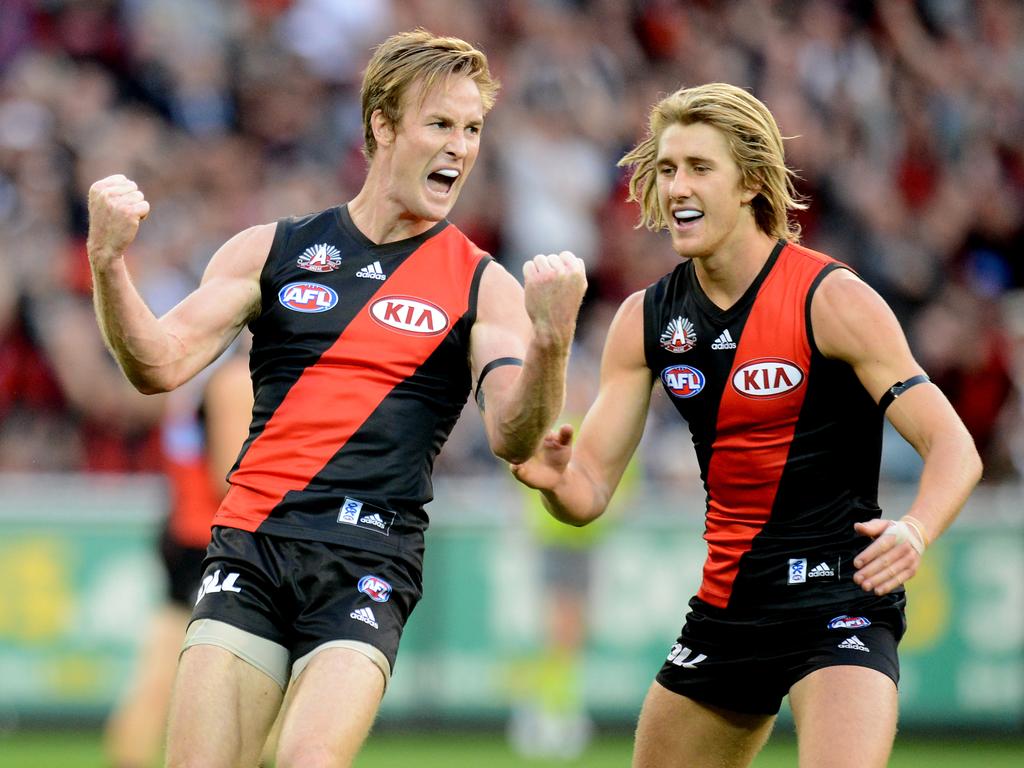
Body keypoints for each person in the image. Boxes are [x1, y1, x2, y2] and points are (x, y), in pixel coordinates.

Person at [86, 29, 586, 768]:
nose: (461, 147)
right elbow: (157, 363)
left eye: (472, 128)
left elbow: (515, 434)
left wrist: (550, 342)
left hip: (369, 559)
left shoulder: (485, 286)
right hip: (252, 547)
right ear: (382, 125)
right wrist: (108, 263)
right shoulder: (271, 250)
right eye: (440, 124)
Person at [511, 82, 982, 768]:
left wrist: (917, 528)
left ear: (750, 184)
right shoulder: (645, 320)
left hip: (840, 600)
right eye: (667, 169)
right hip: (730, 606)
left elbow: (954, 447)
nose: (676, 186)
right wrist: (554, 480)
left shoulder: (833, 299)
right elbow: (587, 493)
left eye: (700, 168)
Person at [103, 343, 253, 768]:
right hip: (208, 540)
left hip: (189, 531)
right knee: (180, 676)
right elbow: (229, 475)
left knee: (164, 670)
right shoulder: (238, 379)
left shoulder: (205, 374)